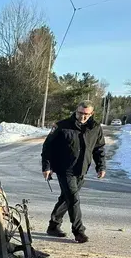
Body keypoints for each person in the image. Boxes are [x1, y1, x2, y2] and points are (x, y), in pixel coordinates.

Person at [41, 100, 106, 243]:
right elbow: (48, 147)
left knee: (66, 198)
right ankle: (79, 231)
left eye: (86, 114)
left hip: (82, 169)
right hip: (65, 169)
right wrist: (47, 166)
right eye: (80, 113)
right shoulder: (62, 126)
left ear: (91, 114)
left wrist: (101, 166)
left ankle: (53, 225)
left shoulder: (95, 127)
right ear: (76, 111)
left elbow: (99, 148)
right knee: (74, 199)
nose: (82, 117)